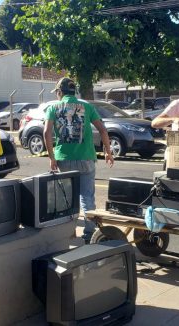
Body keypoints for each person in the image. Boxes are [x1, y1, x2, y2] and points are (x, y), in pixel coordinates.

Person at [44, 77, 114, 243]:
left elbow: (47, 133)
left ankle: (68, 233)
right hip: (86, 158)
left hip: (63, 159)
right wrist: (108, 152)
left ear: (60, 92)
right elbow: (103, 130)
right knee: (87, 196)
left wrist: (51, 157)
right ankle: (90, 234)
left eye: (57, 93)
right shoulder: (87, 106)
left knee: (66, 198)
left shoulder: (53, 107)